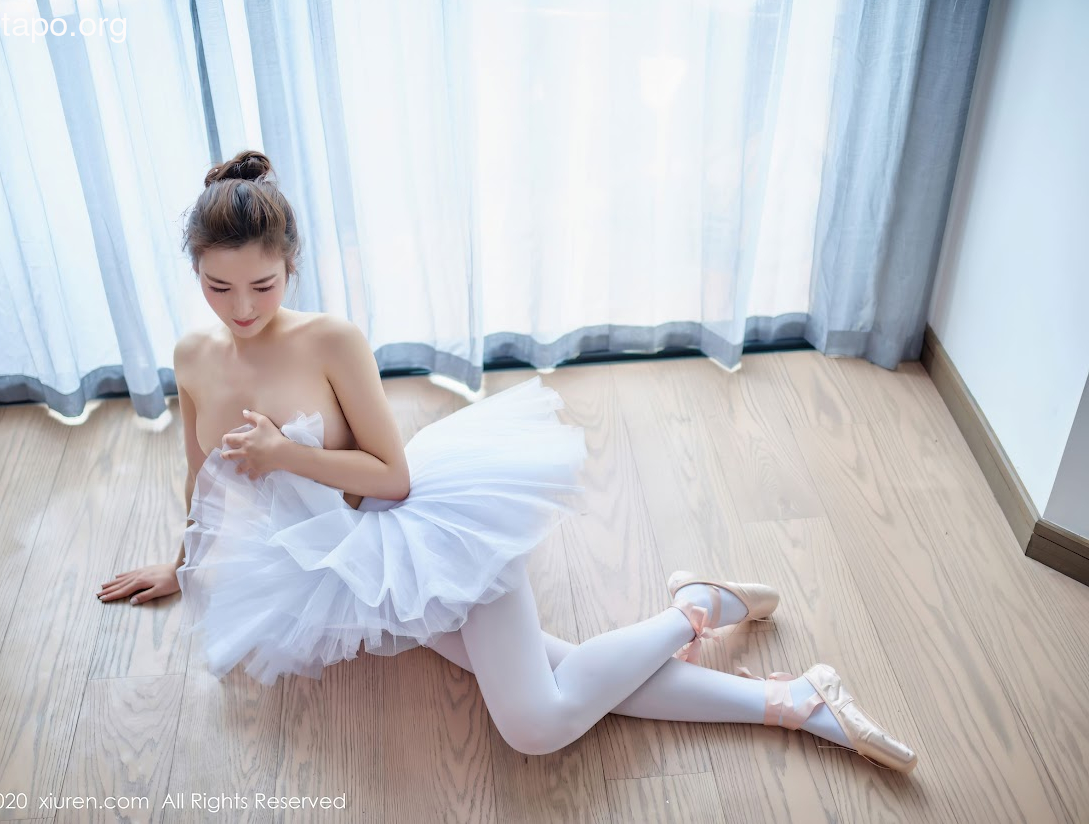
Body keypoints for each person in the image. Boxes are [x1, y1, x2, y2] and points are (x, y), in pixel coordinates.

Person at [97, 150, 917, 772]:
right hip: (343, 566)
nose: (241, 309)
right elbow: (200, 472)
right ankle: (794, 699)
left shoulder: (330, 340)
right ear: (196, 272)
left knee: (534, 725)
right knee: (558, 675)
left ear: (291, 266)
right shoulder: (192, 354)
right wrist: (181, 564)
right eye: (218, 288)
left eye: (263, 286)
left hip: (419, 529)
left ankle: (695, 610)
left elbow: (393, 476)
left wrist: (283, 456)